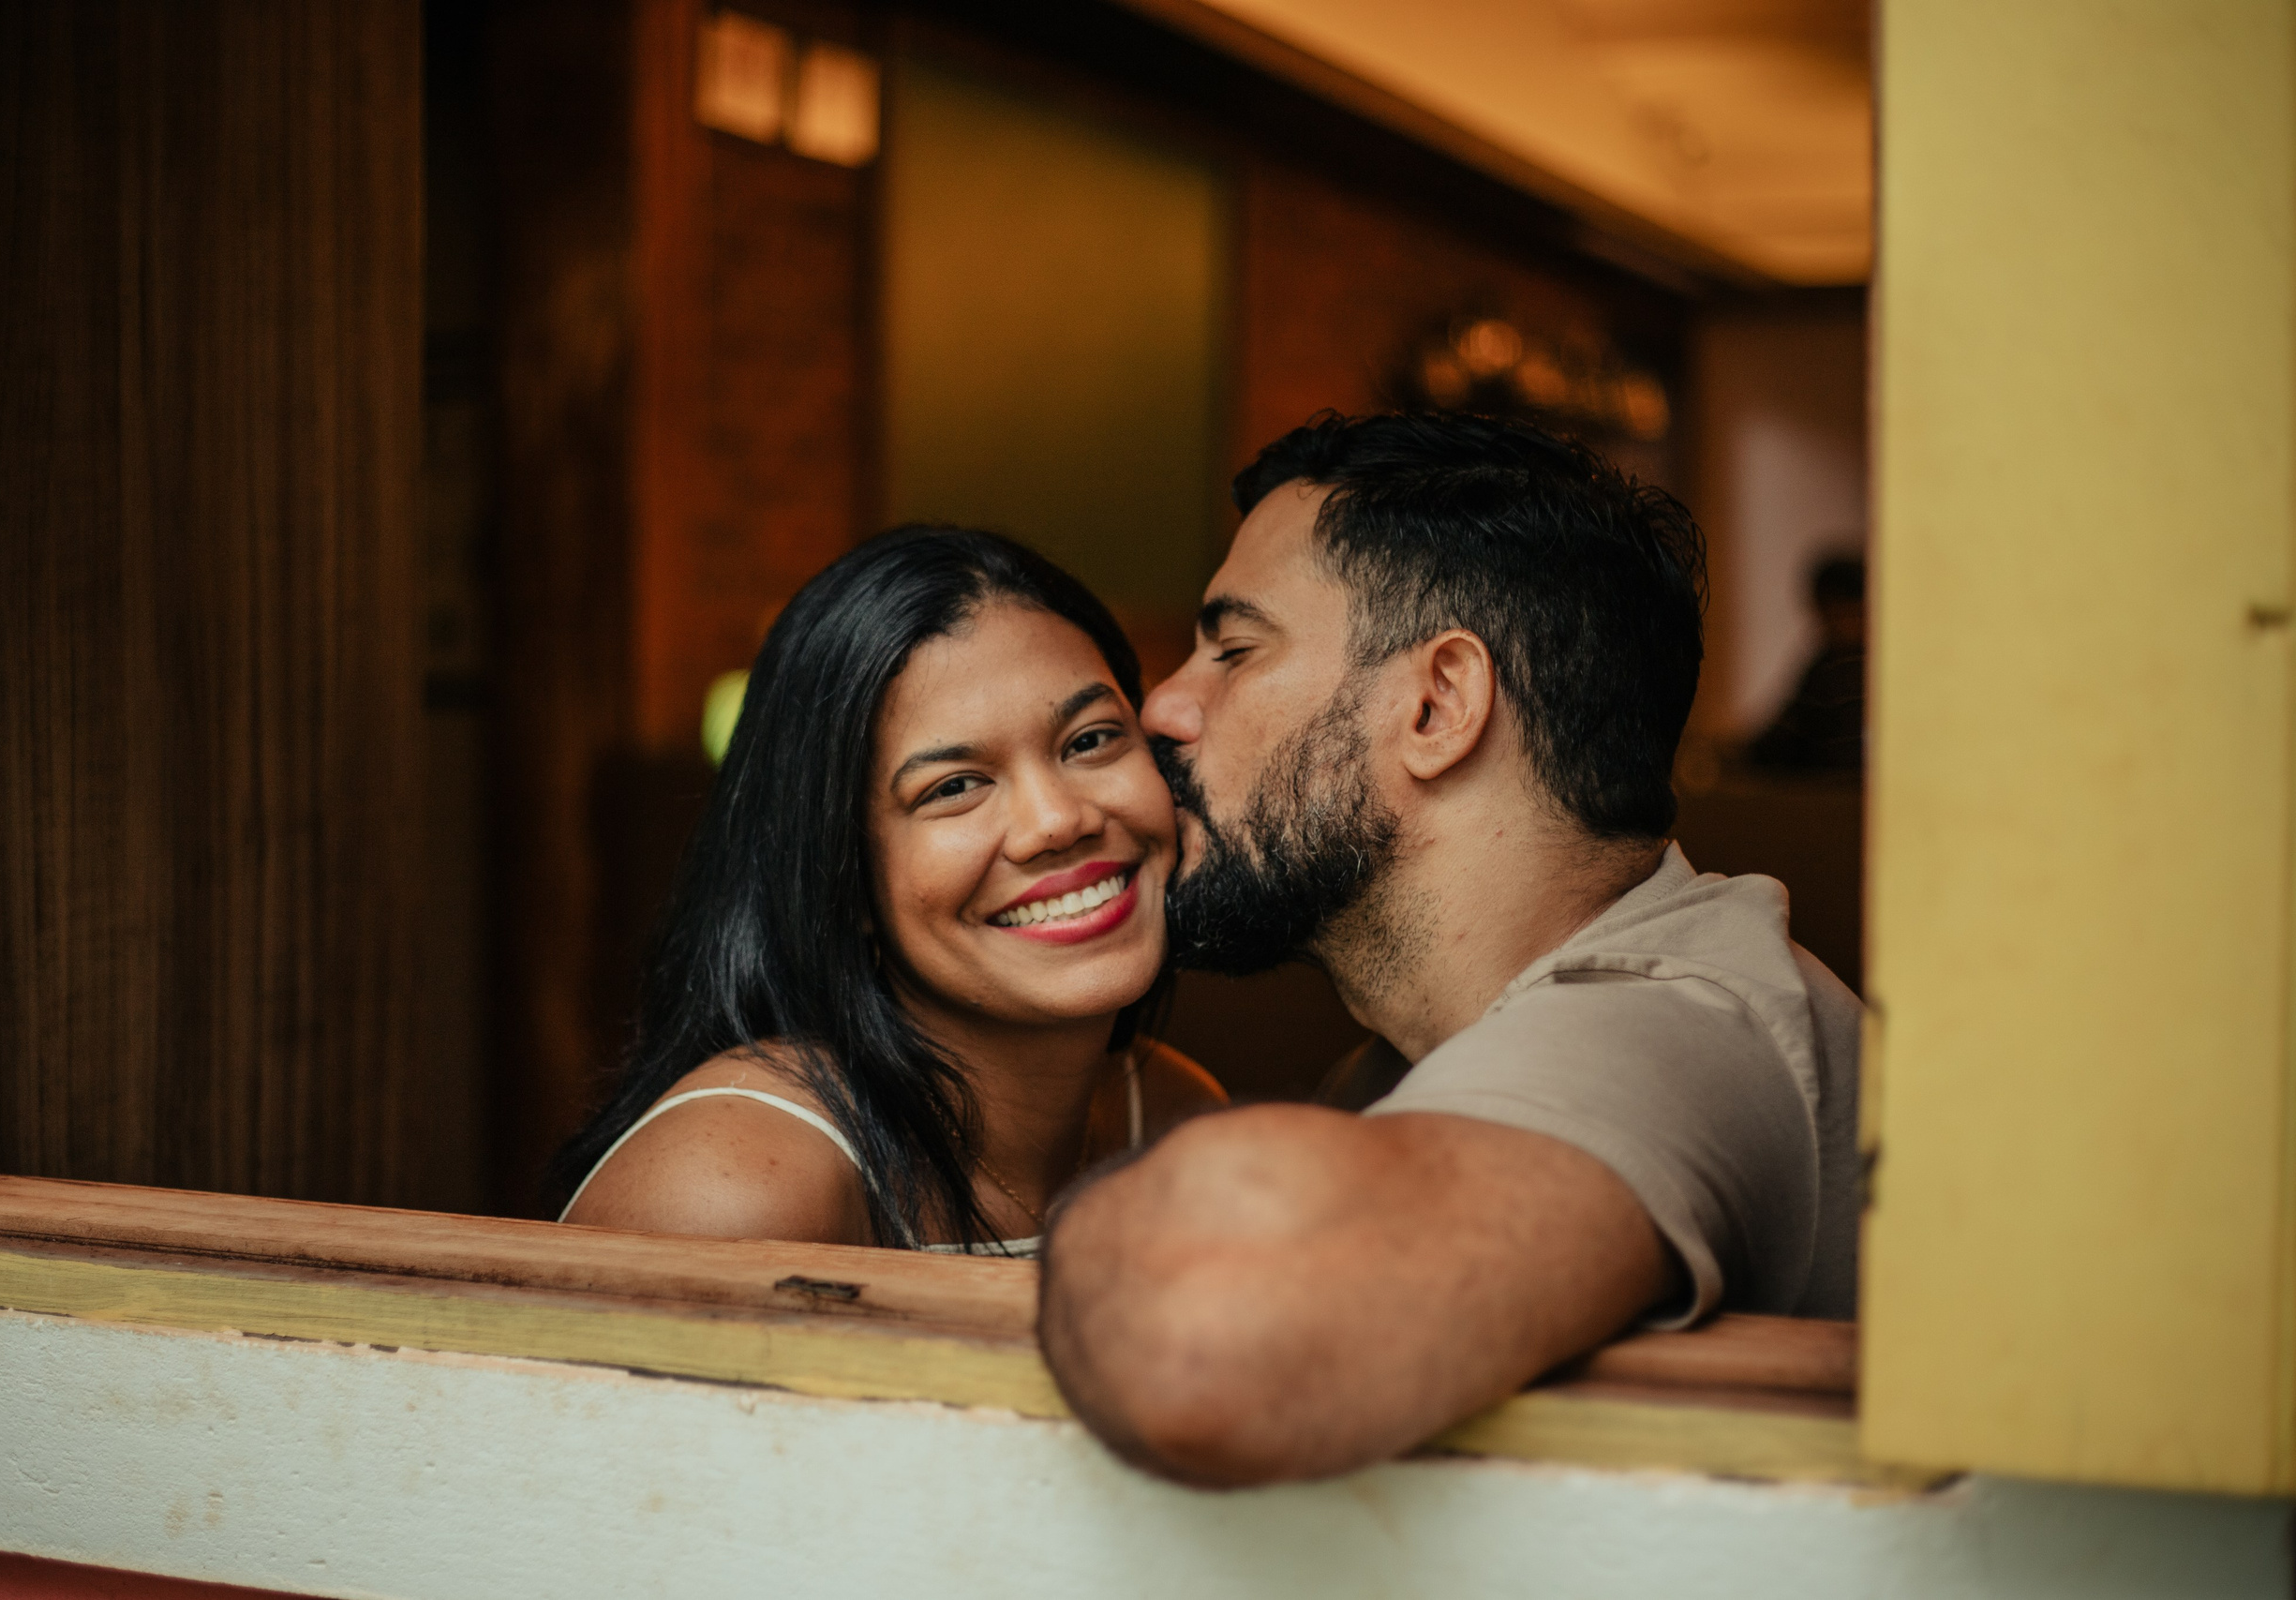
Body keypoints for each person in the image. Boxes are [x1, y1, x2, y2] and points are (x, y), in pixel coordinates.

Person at [1037, 413, 1861, 1485]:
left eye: (1234, 649)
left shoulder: (1668, 1020)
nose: (1167, 705)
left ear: (1437, 704)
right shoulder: (1400, 1063)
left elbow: (1207, 1333)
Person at [555, 528, 1225, 1253]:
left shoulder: (1173, 1121)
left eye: (1090, 739)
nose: (1057, 820)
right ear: (843, 884)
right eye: (955, 786)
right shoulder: (731, 1192)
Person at [1746, 552, 1868, 772]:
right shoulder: (1827, 665)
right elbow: (1786, 734)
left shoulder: (1836, 667)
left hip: (1831, 795)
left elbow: (1782, 741)